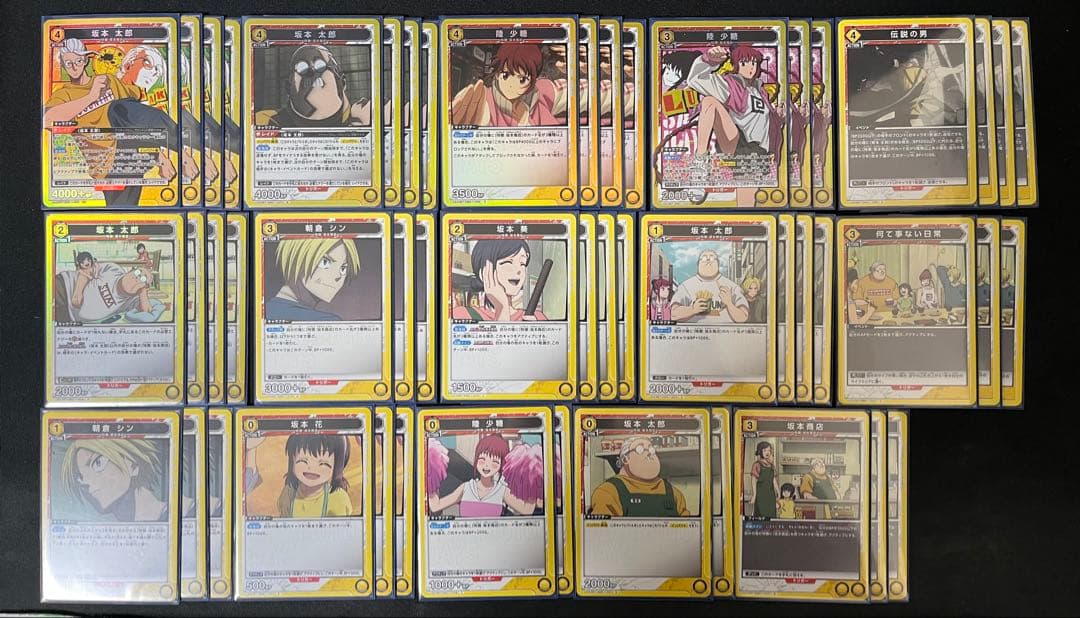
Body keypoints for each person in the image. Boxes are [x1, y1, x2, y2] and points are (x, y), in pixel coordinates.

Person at [255, 45, 373, 128]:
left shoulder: (366, 114)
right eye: (302, 68)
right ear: (288, 87)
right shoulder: (266, 121)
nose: (311, 71)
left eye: (320, 66)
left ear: (342, 82)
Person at [450, 44, 566, 127]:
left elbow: (572, 91)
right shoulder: (484, 101)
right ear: (497, 74)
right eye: (506, 75)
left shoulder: (540, 92)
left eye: (522, 79)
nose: (512, 85)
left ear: (532, 80)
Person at [426, 434, 538, 517]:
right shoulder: (466, 487)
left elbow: (526, 510)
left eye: (494, 462)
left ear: (501, 465)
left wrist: (533, 478)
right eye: (482, 459)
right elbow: (436, 506)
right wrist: (431, 477)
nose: (487, 466)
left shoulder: (501, 490)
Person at [244, 434, 354, 517]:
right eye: (303, 461)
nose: (311, 468)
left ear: (337, 466)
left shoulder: (338, 498)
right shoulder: (289, 492)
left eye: (323, 463)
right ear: (292, 460)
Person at [59, 438, 167, 522]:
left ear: (132, 464)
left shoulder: (172, 516)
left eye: (98, 463)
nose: (88, 485)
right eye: (80, 478)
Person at [589, 436, 690, 517]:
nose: (649, 453)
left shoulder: (673, 493)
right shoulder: (608, 491)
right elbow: (604, 532)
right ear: (625, 459)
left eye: (651, 449)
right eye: (640, 449)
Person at [265, 238, 361, 321]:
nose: (337, 276)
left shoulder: (266, 310)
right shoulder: (325, 321)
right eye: (325, 262)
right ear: (296, 259)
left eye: (343, 269)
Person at [55, 251, 164, 324]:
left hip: (68, 316)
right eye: (138, 272)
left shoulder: (129, 303)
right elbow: (87, 269)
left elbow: (148, 315)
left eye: (143, 279)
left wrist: (143, 292)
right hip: (64, 287)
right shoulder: (114, 269)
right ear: (131, 270)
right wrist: (78, 292)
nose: (137, 278)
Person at [452, 239, 547, 322]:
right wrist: (501, 308)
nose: (519, 270)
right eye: (508, 262)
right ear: (483, 272)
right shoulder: (462, 315)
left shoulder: (538, 317)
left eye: (522, 263)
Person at [670, 249, 749, 323]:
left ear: (718, 263)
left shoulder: (732, 287)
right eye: (704, 258)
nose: (708, 260)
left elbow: (743, 317)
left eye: (712, 258)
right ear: (698, 264)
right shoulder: (685, 286)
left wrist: (729, 303)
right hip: (694, 331)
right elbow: (673, 314)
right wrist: (692, 309)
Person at [747, 441, 779, 518]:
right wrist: (754, 495)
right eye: (765, 450)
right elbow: (753, 480)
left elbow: (773, 479)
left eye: (769, 450)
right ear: (760, 452)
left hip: (771, 495)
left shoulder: (771, 466)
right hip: (761, 494)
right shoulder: (756, 464)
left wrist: (778, 491)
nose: (767, 452)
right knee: (761, 515)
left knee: (771, 516)